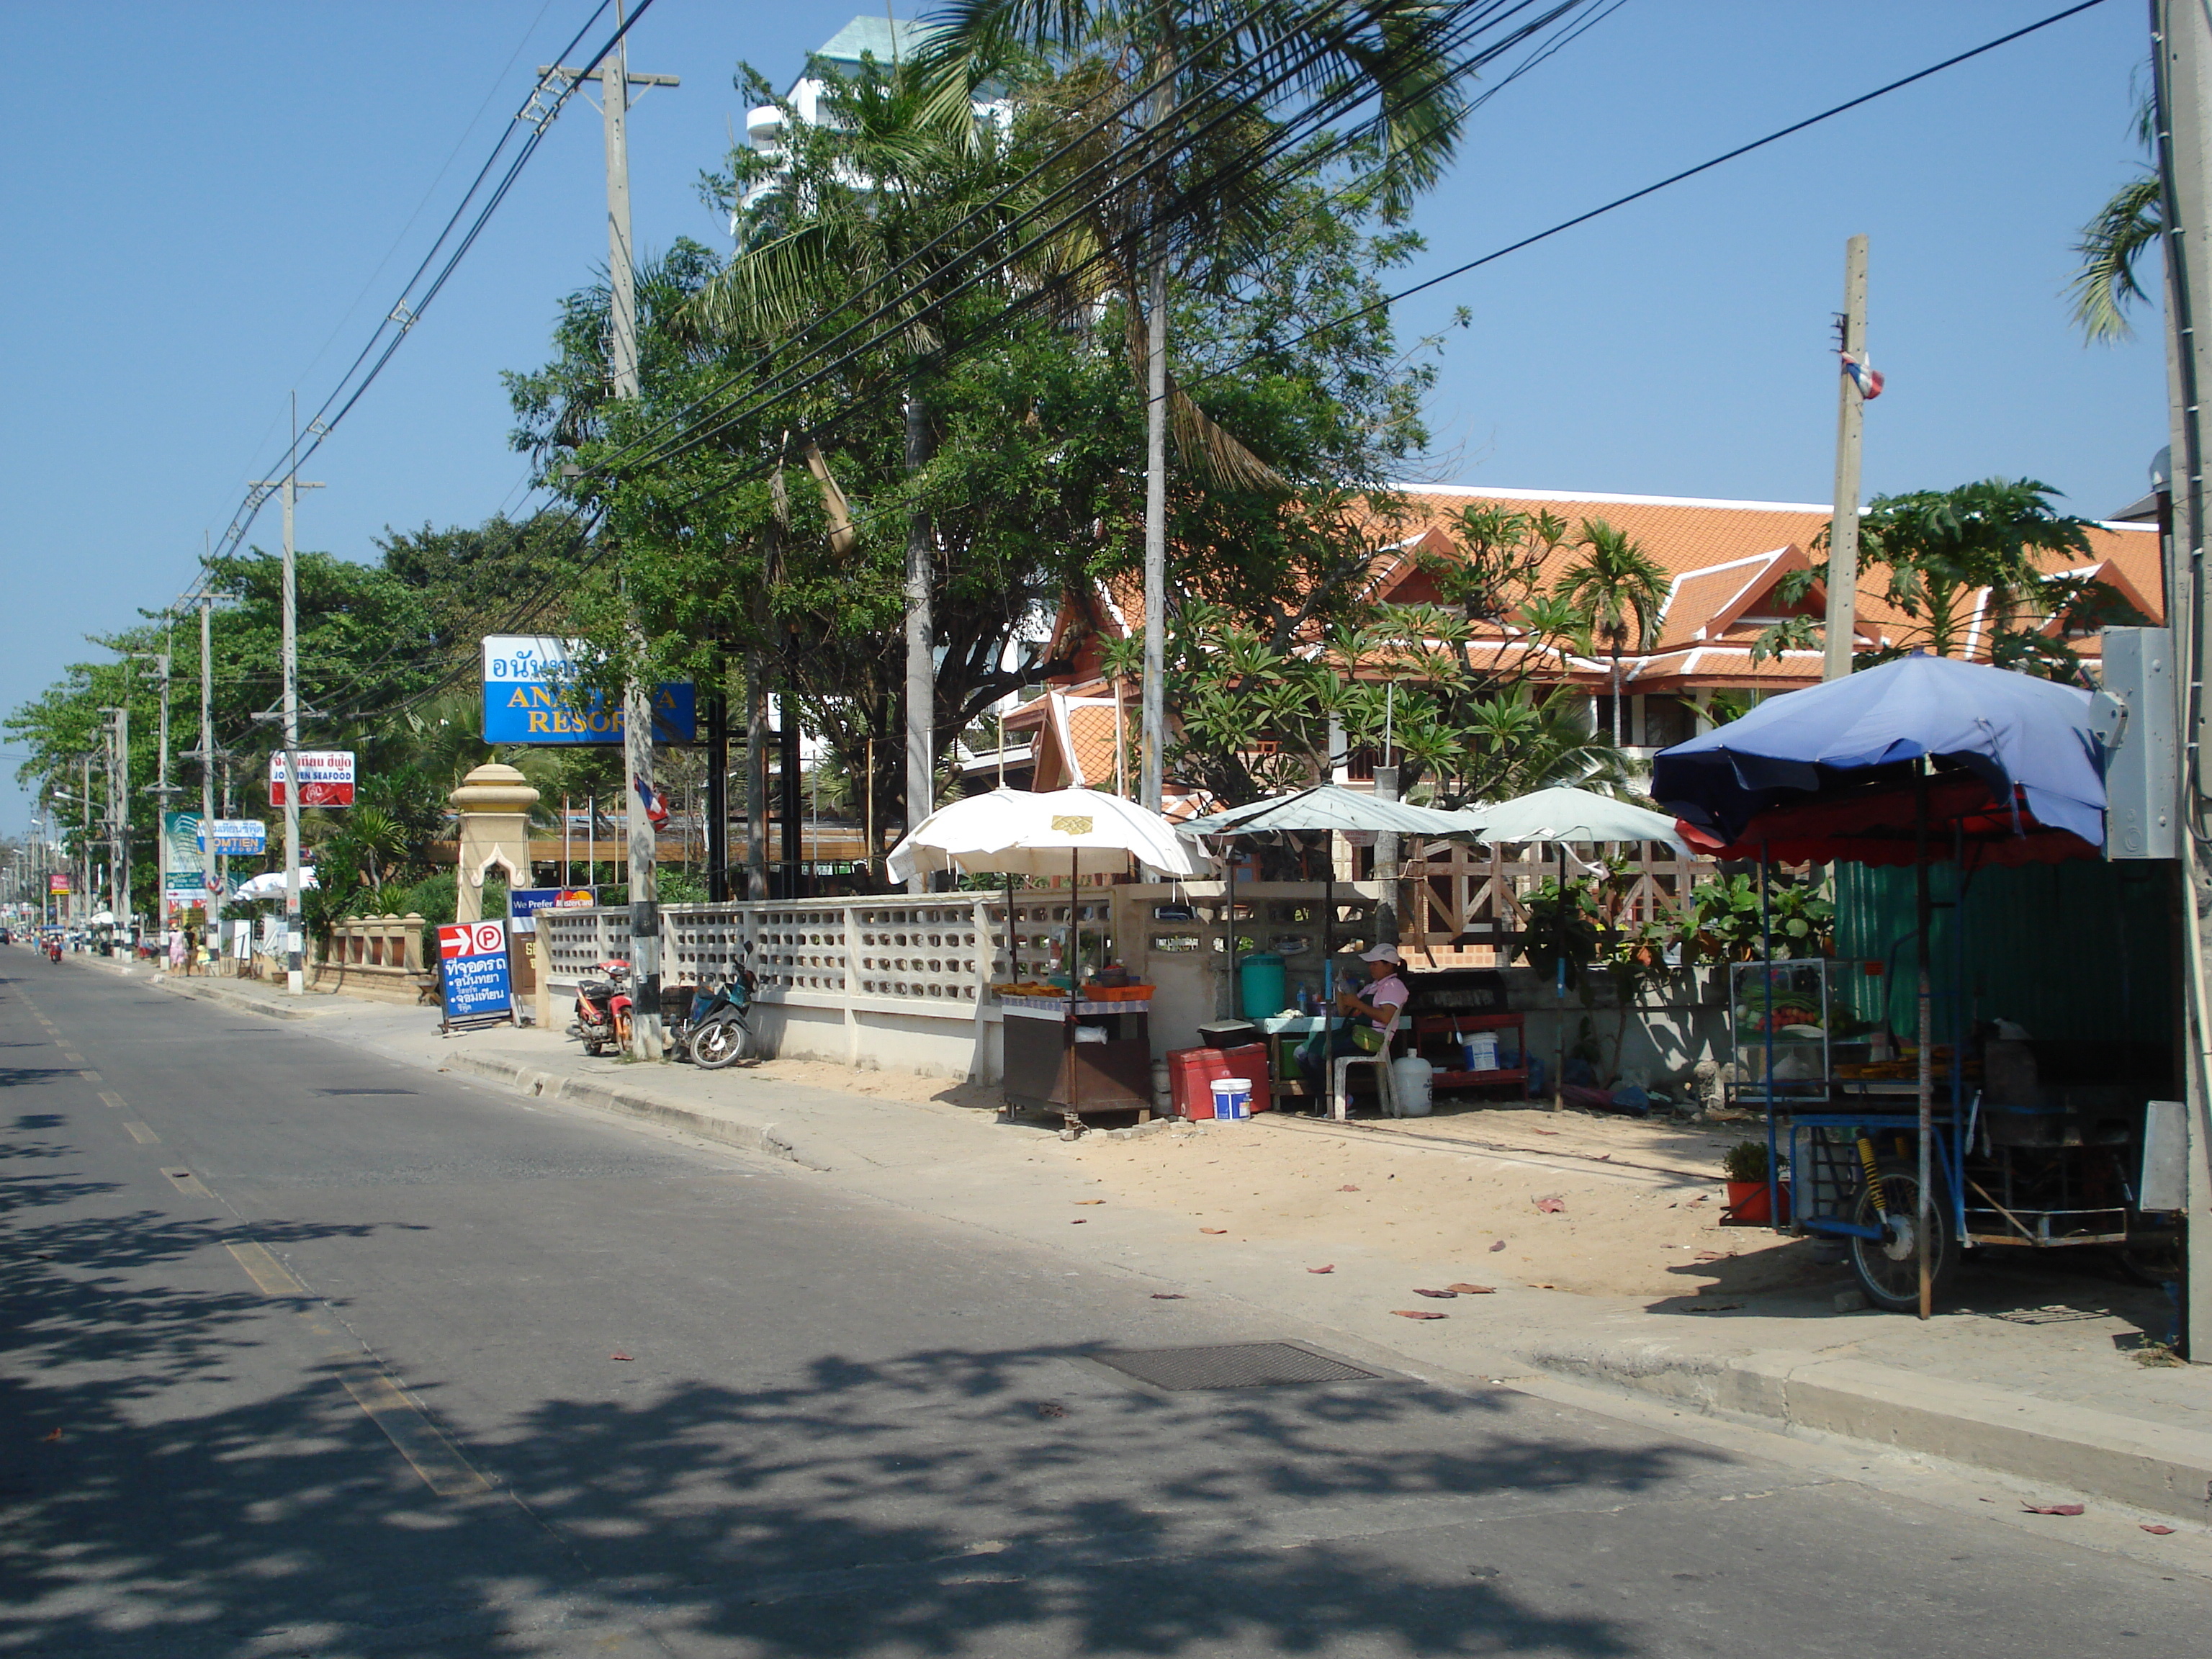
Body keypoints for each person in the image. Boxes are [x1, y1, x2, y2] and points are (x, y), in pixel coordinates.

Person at [1296, 943, 1411, 1102]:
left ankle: (1341, 1099)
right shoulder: (1372, 987)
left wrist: (1358, 1004)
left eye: (1375, 964)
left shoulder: (1394, 986)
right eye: (1370, 964)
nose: (1371, 968)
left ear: (1389, 966)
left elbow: (1386, 1017)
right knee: (1300, 1054)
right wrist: (1340, 987)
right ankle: (1326, 1098)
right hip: (1354, 1033)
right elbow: (1344, 1012)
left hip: (1371, 1039)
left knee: (1317, 1054)